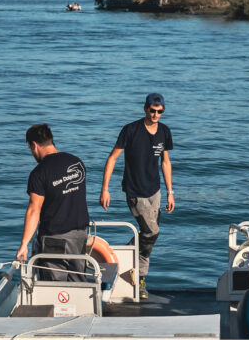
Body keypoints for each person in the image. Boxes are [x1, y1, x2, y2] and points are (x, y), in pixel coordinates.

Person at [100, 93, 174, 297]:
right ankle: (123, 259)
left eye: (160, 111)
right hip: (135, 191)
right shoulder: (130, 130)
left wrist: (170, 192)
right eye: (152, 110)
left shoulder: (164, 131)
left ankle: (139, 278)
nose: (155, 114)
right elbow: (112, 158)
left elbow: (165, 162)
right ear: (145, 108)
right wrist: (105, 189)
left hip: (155, 191)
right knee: (151, 232)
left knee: (149, 237)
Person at [16, 124, 89, 281]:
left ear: (34, 145)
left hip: (54, 238)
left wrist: (24, 244)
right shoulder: (76, 162)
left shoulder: (39, 172)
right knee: (78, 281)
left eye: (30, 148)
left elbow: (34, 210)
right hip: (80, 234)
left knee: (54, 286)